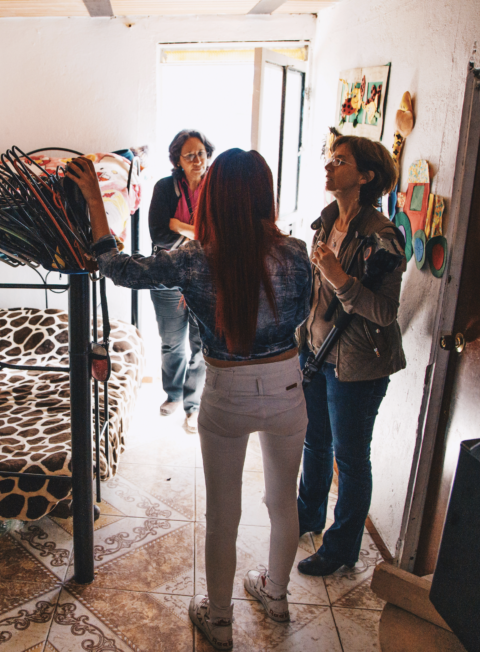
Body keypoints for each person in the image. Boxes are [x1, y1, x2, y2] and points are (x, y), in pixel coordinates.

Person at [67, 150, 312, 651]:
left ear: (214, 198)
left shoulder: (194, 258)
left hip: (227, 391)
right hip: (287, 385)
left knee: (223, 513)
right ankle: (278, 598)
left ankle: (219, 620)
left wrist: (95, 199)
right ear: (266, 195)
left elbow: (118, 267)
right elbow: (301, 314)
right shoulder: (296, 253)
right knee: (283, 501)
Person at [295, 135, 405, 577]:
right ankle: (307, 516)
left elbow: (384, 312)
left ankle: (341, 547)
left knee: (351, 458)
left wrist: (340, 277)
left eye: (339, 161)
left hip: (358, 367)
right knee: (313, 442)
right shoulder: (326, 224)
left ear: (365, 176)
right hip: (318, 356)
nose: (328, 167)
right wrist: (301, 340)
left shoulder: (384, 237)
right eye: (329, 159)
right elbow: (314, 294)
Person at [147, 130, 215, 433]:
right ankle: (173, 394)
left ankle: (193, 403)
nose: (197, 159)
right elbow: (158, 234)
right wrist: (197, 234)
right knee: (172, 342)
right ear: (178, 160)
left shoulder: (216, 187)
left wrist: (181, 226)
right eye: (190, 155)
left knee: (201, 344)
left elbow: (217, 235)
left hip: (207, 277)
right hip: (167, 275)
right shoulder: (165, 188)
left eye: (201, 152)